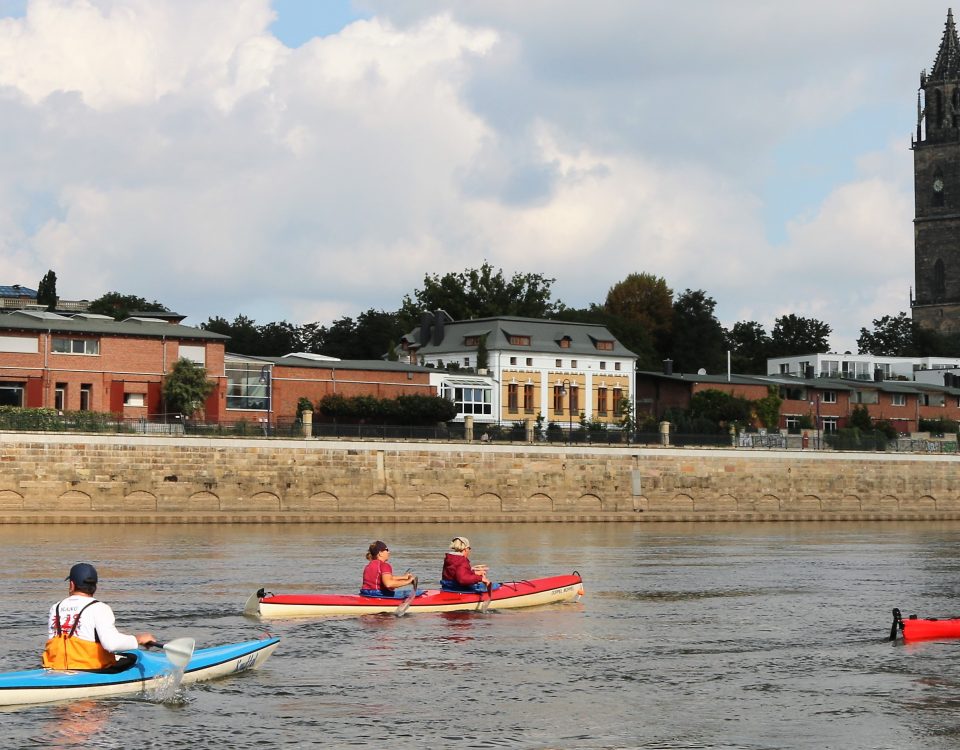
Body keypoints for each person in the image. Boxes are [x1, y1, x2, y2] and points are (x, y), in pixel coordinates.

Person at [42, 563, 157, 671]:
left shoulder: (55, 608)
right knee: (133, 658)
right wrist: (138, 639)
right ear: (95, 586)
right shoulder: (100, 608)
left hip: (55, 668)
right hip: (89, 670)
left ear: (72, 585)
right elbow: (111, 644)